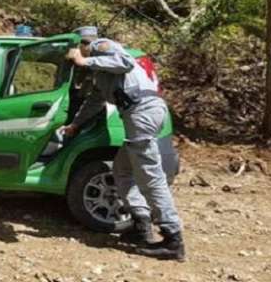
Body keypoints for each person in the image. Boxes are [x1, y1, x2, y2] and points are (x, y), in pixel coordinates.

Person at [64, 26, 186, 261]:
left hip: (142, 112)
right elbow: (95, 101)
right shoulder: (102, 72)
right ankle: (141, 226)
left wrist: (83, 61)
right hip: (142, 113)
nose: (74, 54)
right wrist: (75, 125)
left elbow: (125, 61)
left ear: (83, 43)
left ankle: (173, 239)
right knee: (122, 170)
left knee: (151, 178)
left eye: (76, 48)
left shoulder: (100, 46)